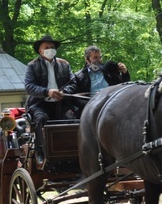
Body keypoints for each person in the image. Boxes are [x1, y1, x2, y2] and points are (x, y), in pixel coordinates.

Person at [24, 35, 75, 166]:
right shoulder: (32, 66)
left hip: (62, 103)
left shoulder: (64, 64)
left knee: (72, 120)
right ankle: (41, 152)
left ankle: (71, 154)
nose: (50, 49)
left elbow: (73, 83)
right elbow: (29, 87)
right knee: (41, 120)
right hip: (40, 104)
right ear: (40, 51)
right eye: (46, 47)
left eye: (52, 47)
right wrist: (47, 92)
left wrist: (65, 92)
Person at [62, 45, 130, 115]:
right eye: (95, 58)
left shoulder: (109, 72)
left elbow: (124, 86)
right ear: (87, 59)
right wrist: (90, 104)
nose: (99, 60)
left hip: (111, 105)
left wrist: (125, 72)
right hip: (90, 110)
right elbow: (74, 98)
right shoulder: (79, 76)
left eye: (100, 57)